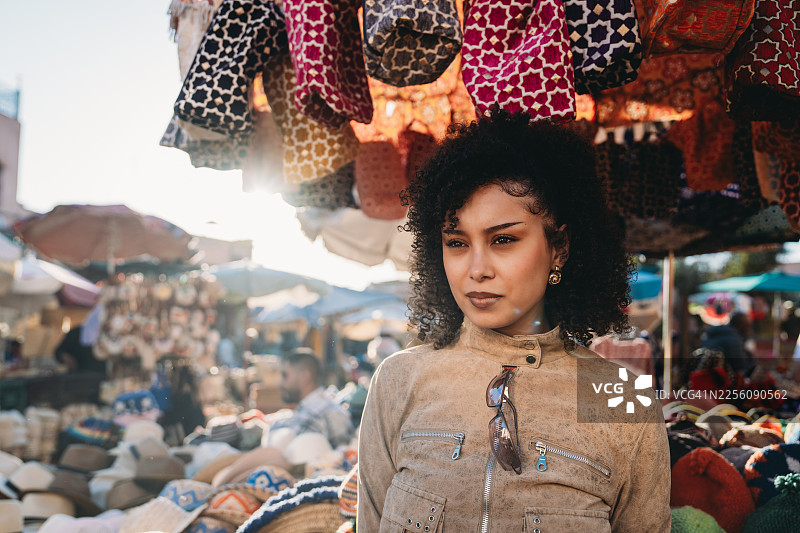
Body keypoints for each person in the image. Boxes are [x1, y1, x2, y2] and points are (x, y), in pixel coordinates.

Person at [358, 112, 671, 532]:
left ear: (558, 247)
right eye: (456, 242)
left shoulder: (619, 399)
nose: (477, 269)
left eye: (503, 239)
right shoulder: (399, 381)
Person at [271, 347, 354, 448]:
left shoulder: (314, 415)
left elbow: (281, 450)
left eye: (285, 375)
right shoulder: (324, 406)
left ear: (304, 376)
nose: (281, 384)